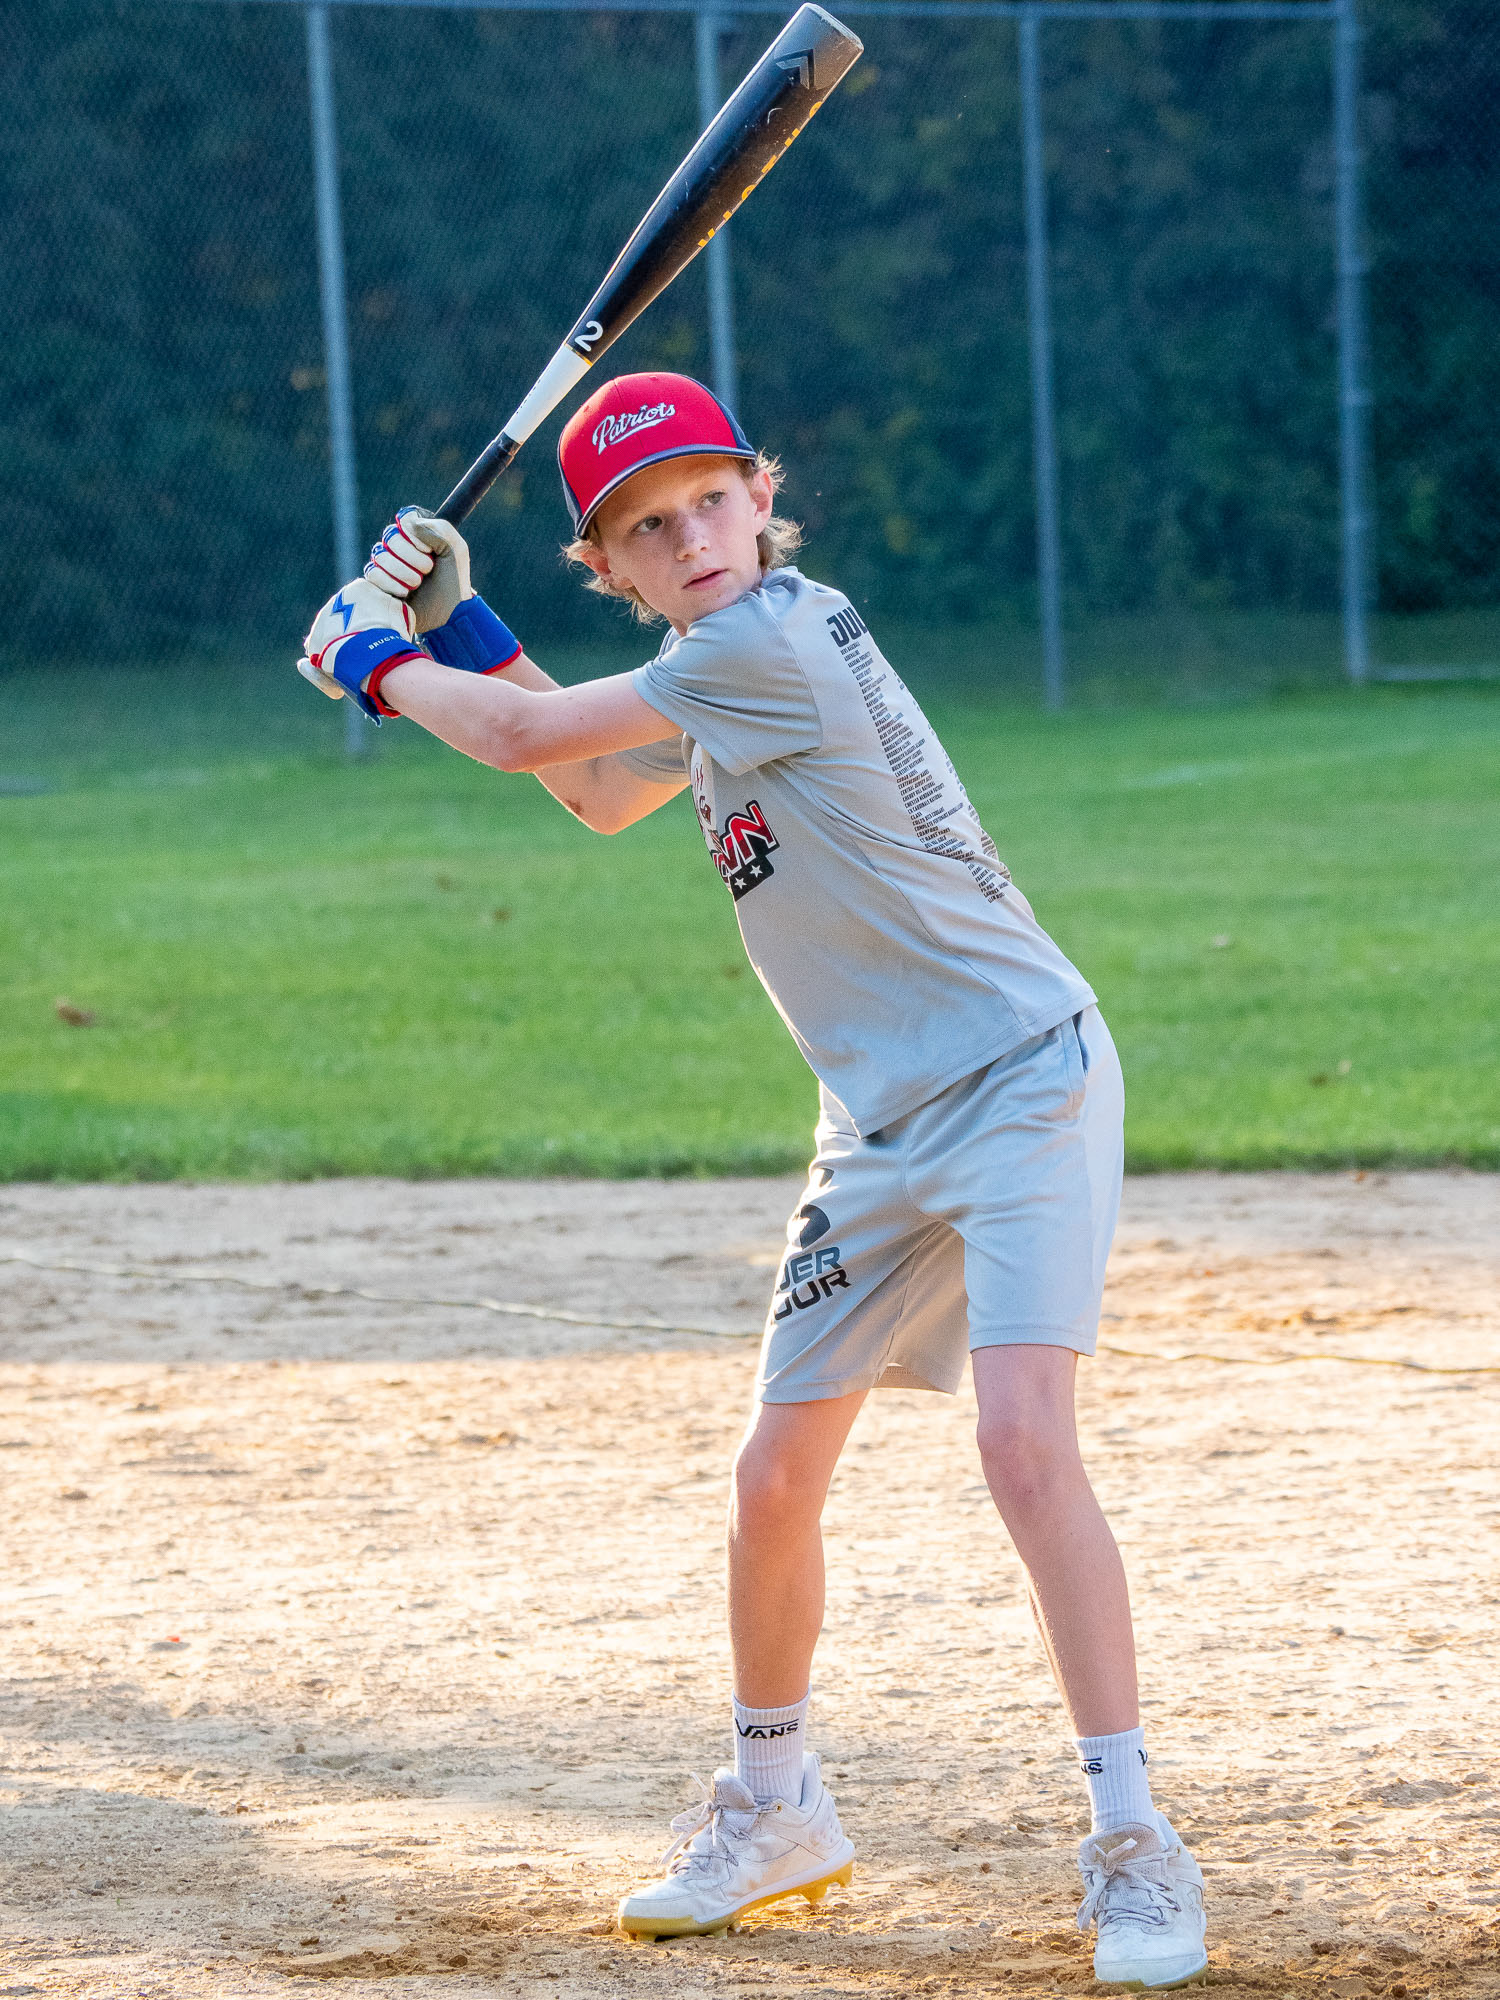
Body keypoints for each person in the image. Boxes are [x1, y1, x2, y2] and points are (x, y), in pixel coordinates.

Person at [298, 372, 1210, 1990]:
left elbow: (518, 738)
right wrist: (462, 621)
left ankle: (1134, 1840)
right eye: (650, 529)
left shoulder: (773, 637)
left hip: (1017, 1079)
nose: (693, 535)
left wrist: (370, 660)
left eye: (711, 499)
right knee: (772, 1481)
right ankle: (776, 1804)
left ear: (759, 501)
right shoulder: (709, 669)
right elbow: (592, 788)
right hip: (875, 1120)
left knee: (1019, 1442)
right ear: (619, 572)